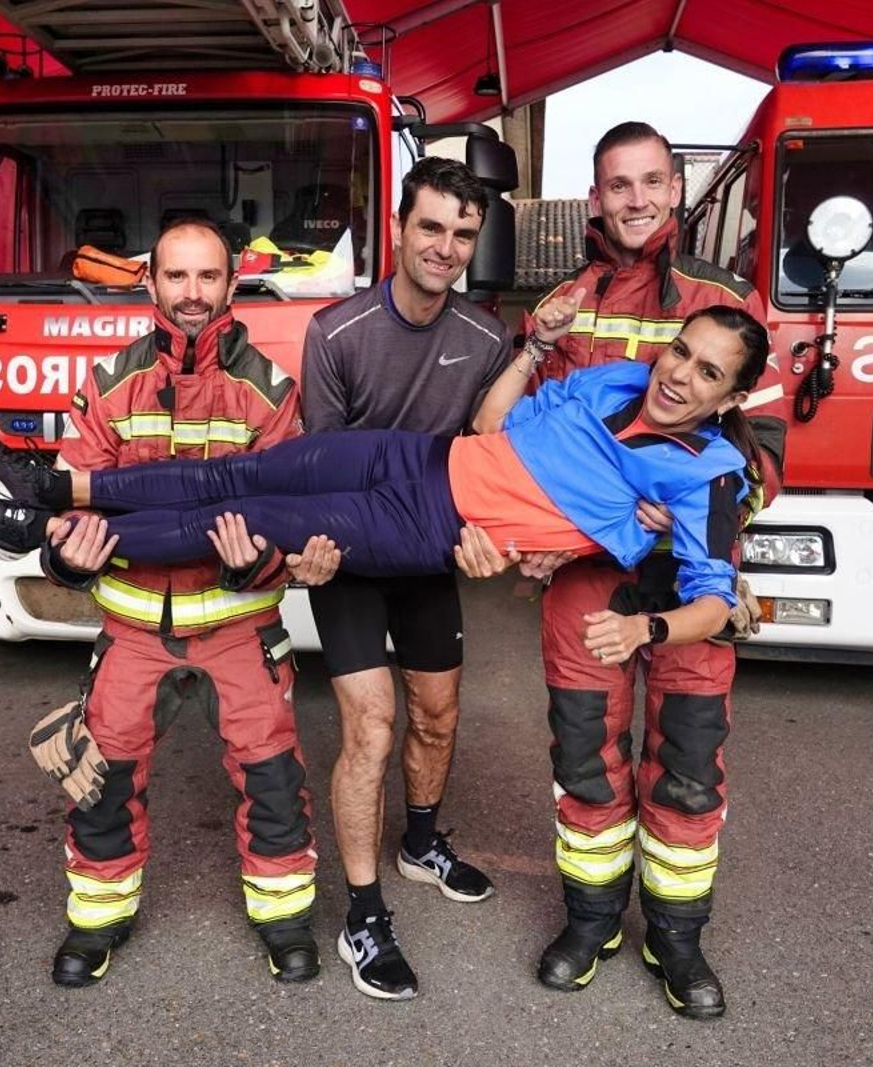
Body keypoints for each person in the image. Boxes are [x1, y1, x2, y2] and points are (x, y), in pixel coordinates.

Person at [0, 305, 768, 641]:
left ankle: (36, 534)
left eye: (705, 374)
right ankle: (50, 484)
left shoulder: (708, 474)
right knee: (235, 474)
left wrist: (644, 627)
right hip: (418, 452)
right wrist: (537, 350)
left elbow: (715, 594)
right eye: (680, 352)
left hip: (430, 527)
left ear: (728, 397)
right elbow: (494, 424)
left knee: (244, 523)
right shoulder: (618, 375)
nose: (677, 376)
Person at [502, 121, 790, 1019]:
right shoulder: (562, 305)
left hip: (693, 584)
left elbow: (768, 458)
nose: (635, 200)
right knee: (585, 755)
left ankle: (678, 937)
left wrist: (706, 520)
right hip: (589, 578)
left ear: (676, 190)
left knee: (689, 766)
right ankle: (591, 922)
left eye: (651, 182)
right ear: (596, 198)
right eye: (617, 185)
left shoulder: (728, 300)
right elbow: (523, 448)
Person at [15, 216, 342, 990]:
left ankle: (285, 920)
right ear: (152, 283)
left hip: (237, 629)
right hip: (131, 628)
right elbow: (74, 505)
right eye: (176, 277)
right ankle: (97, 919)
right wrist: (65, 557)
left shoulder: (271, 393)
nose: (192, 294)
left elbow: (285, 522)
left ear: (233, 285)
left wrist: (255, 561)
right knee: (102, 780)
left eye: (207, 278)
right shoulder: (107, 385)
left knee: (272, 782)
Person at [299, 155, 513, 1001]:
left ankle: (420, 842)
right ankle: (362, 912)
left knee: (438, 712)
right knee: (372, 728)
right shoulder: (336, 333)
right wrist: (313, 551)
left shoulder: (489, 338)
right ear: (398, 226)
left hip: (429, 556)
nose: (447, 246)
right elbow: (319, 466)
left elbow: (487, 462)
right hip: (349, 558)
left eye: (464, 233)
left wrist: (484, 535)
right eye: (431, 226)